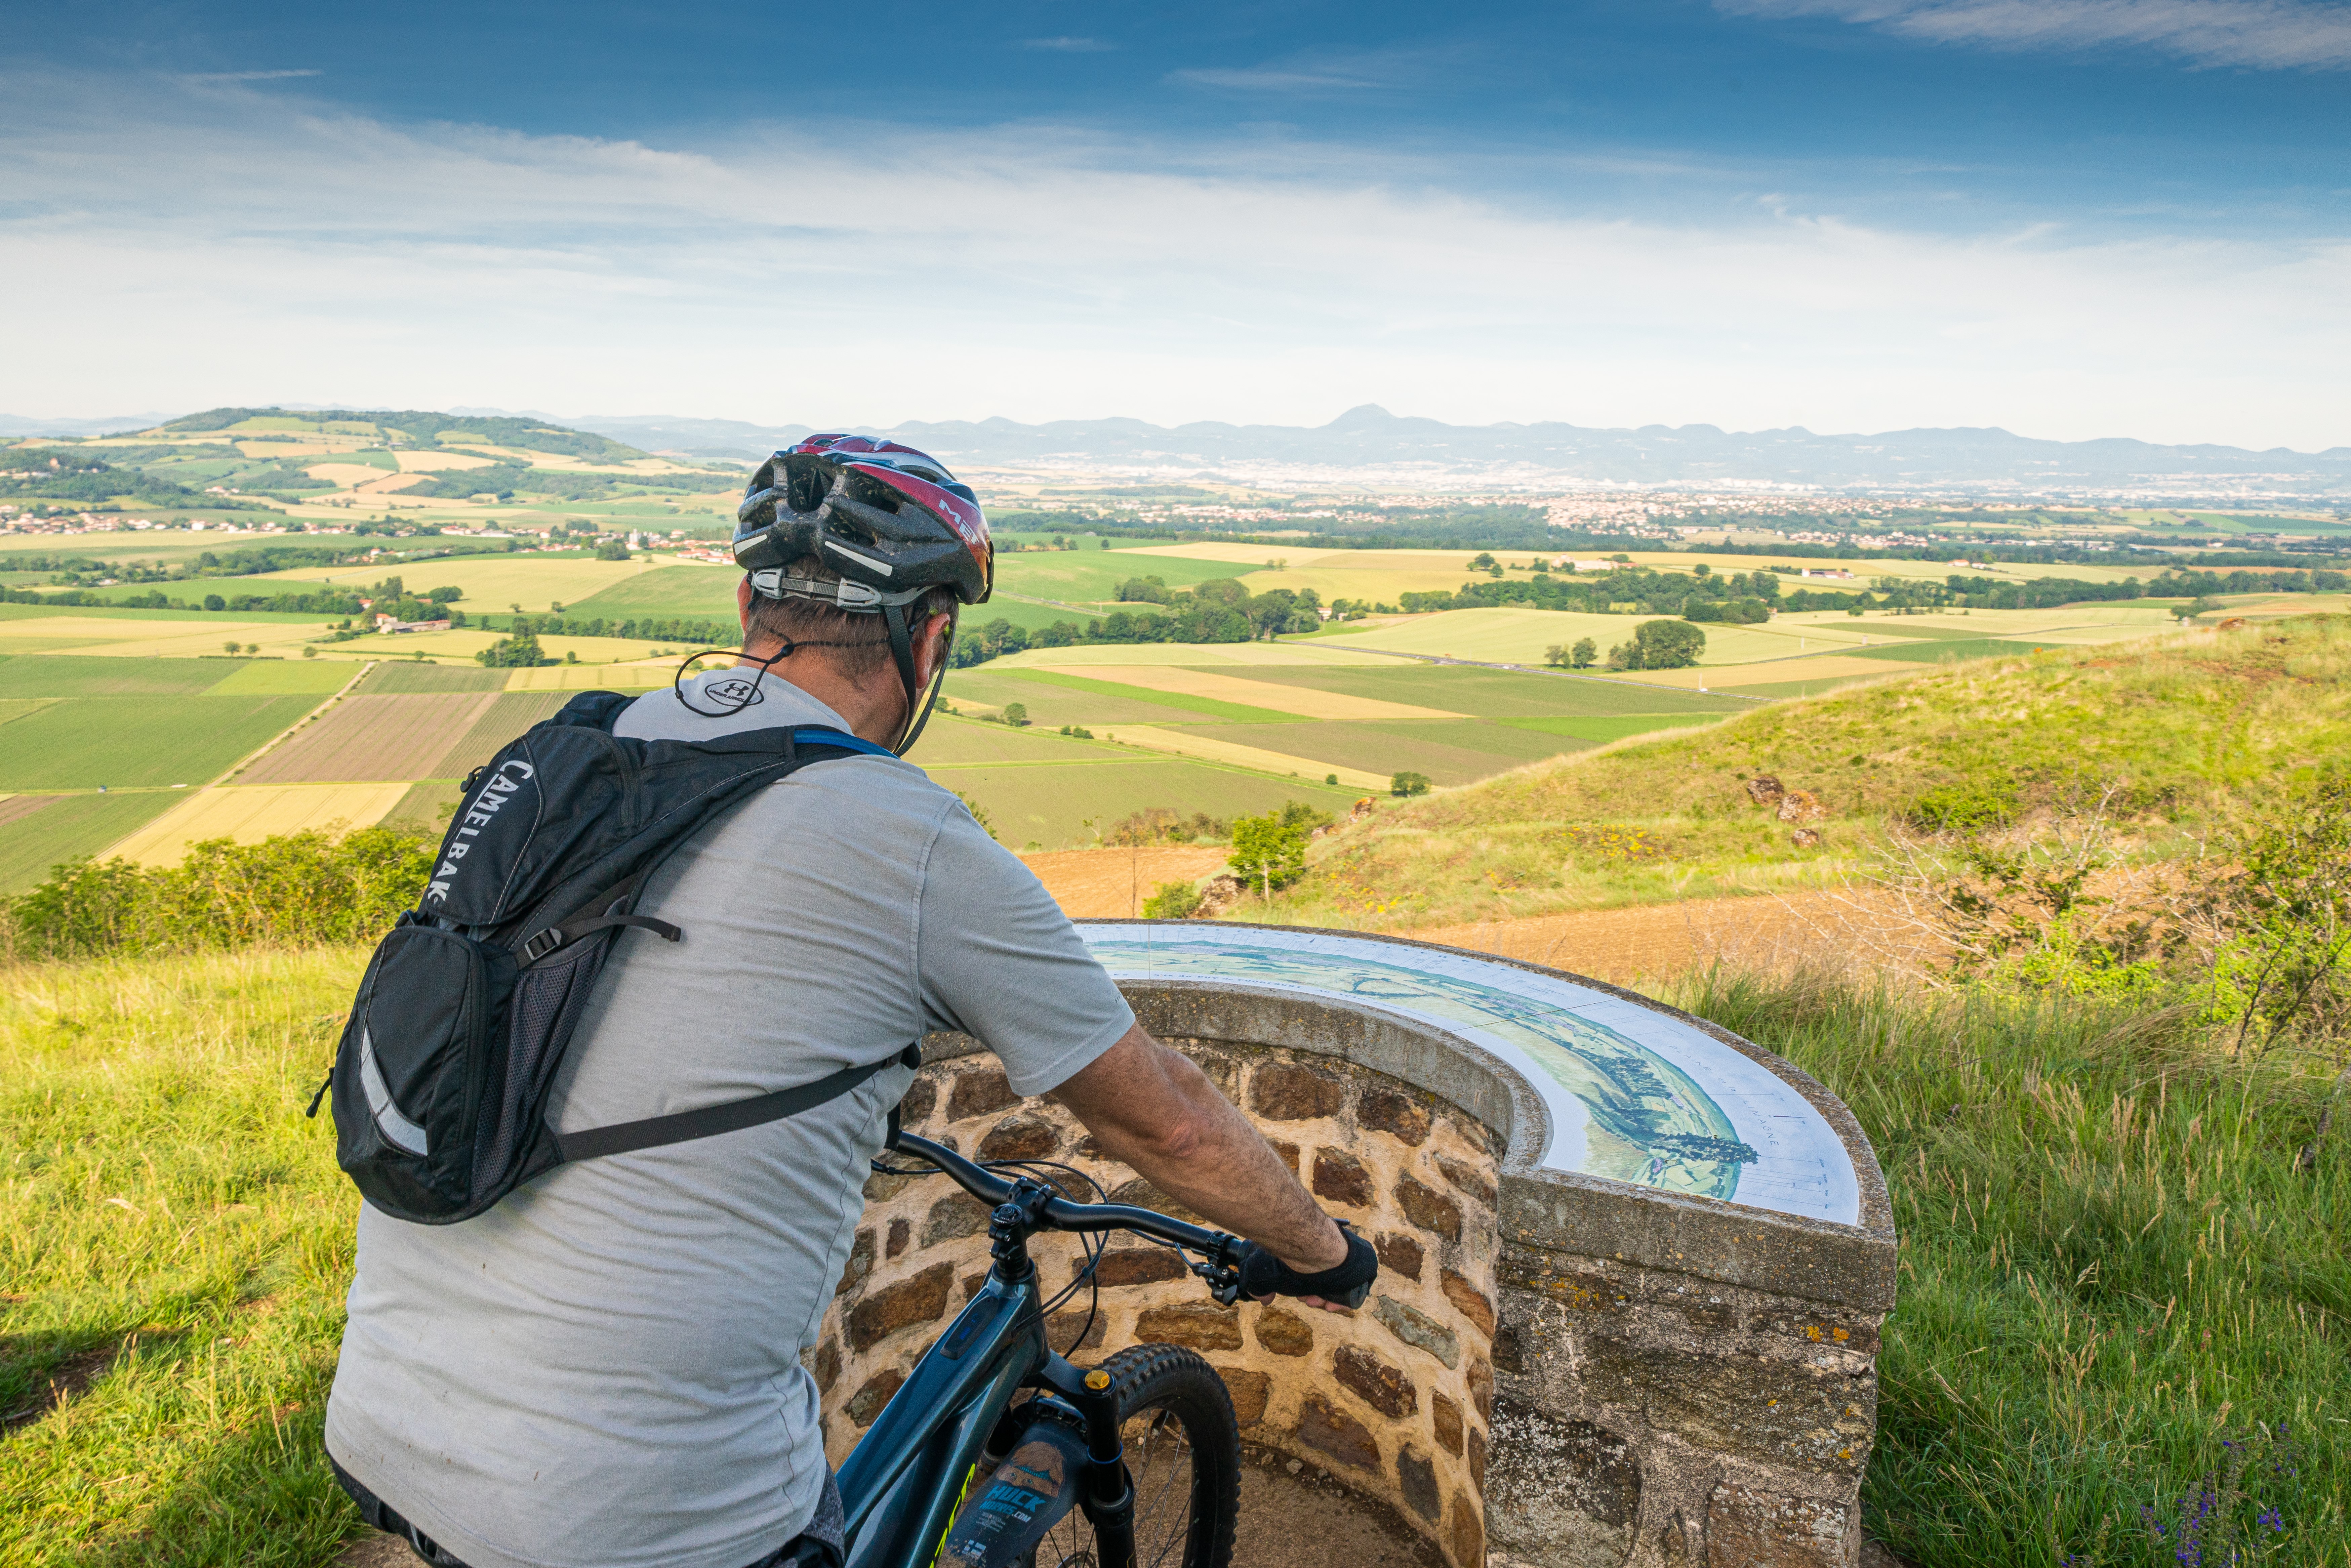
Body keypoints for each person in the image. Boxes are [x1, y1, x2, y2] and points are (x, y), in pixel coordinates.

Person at [324, 435, 1375, 1568]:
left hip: (389, 1419)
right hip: (644, 1515)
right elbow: (1159, 1117)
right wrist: (1322, 1251)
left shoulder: (574, 756)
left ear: (746, 605)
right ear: (929, 637)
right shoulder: (909, 836)